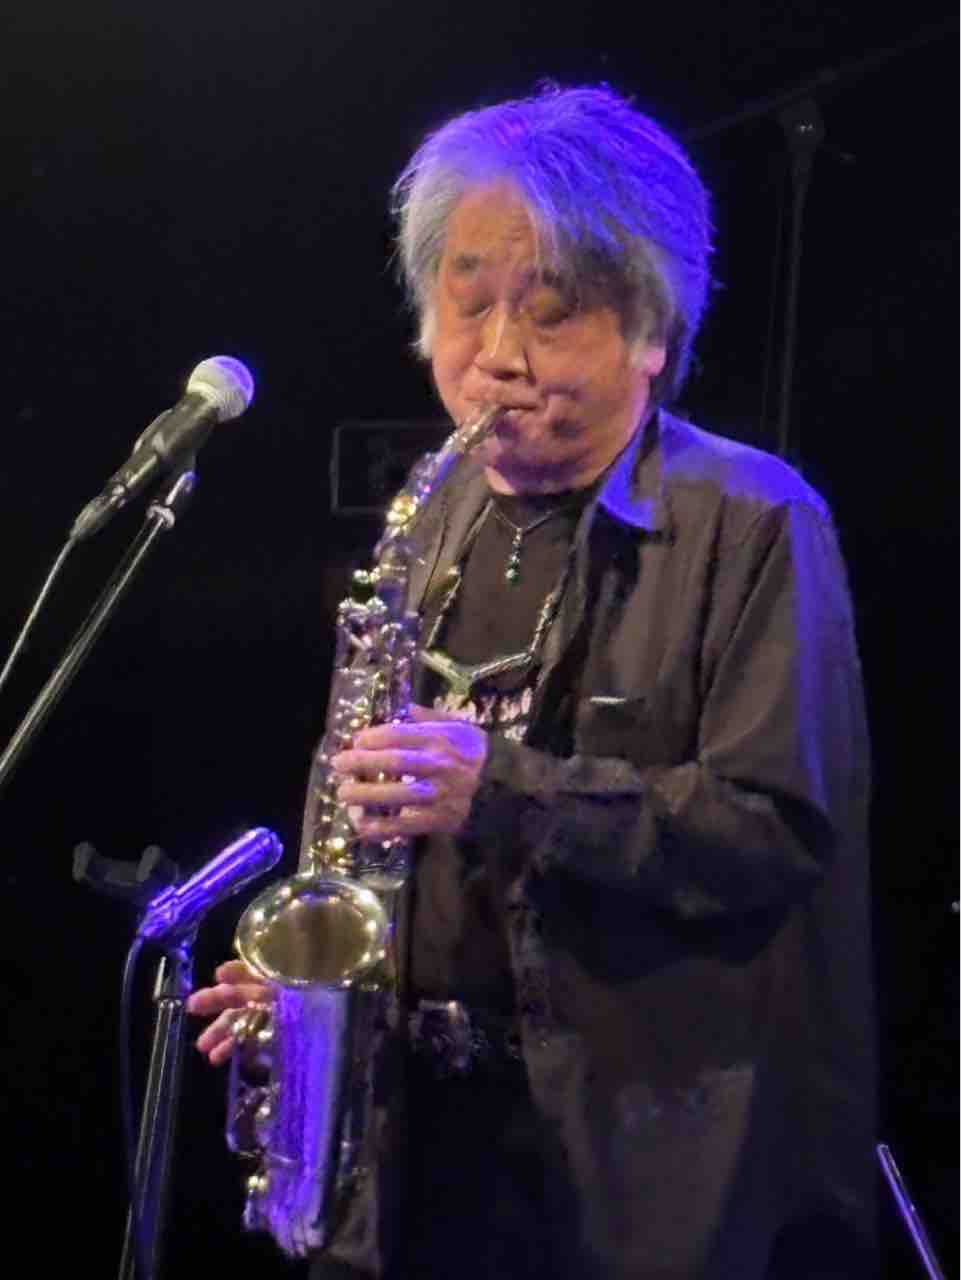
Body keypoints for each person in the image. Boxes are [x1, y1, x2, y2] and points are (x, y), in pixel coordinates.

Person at [188, 84, 877, 1279]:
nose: (496, 356)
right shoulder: (428, 518)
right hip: (421, 1150)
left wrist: (505, 788)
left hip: (633, 1176)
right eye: (468, 305)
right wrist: (307, 986)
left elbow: (775, 829)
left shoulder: (756, 518)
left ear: (650, 330)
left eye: (550, 313)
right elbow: (364, 812)